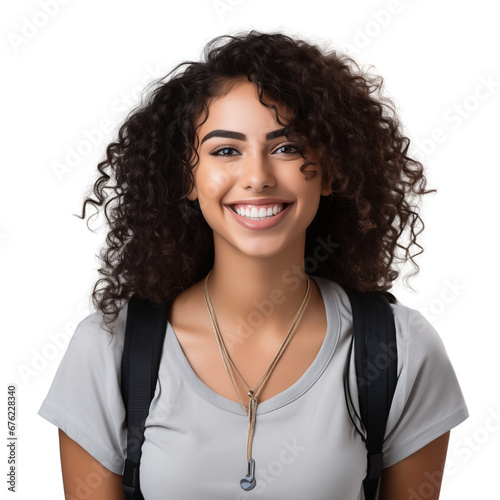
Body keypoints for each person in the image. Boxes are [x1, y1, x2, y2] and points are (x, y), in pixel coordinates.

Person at [38, 30, 468, 499]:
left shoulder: (401, 350)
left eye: (287, 147)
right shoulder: (107, 351)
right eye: (225, 150)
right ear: (186, 176)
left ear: (330, 171)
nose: (259, 177)